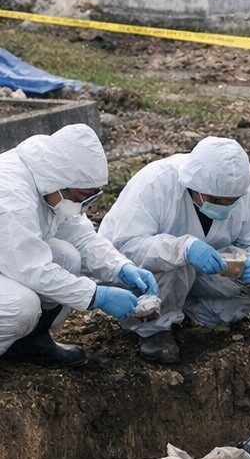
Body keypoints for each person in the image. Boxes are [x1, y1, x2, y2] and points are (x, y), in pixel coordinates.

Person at [99, 136, 250, 365]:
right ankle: (153, 330)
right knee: (176, 260)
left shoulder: (248, 192)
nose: (224, 206)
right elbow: (122, 246)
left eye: (231, 201)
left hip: (202, 273)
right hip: (151, 274)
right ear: (194, 186)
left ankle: (192, 312)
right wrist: (183, 247)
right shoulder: (156, 183)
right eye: (216, 199)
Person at [0, 124, 158, 368]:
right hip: (16, 262)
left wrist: (120, 267)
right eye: (79, 196)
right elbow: (32, 269)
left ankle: (28, 343)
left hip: (10, 259)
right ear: (59, 182)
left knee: (67, 257)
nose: (81, 205)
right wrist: (96, 295)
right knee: (21, 307)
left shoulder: (51, 181)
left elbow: (82, 237)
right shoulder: (12, 196)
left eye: (89, 197)